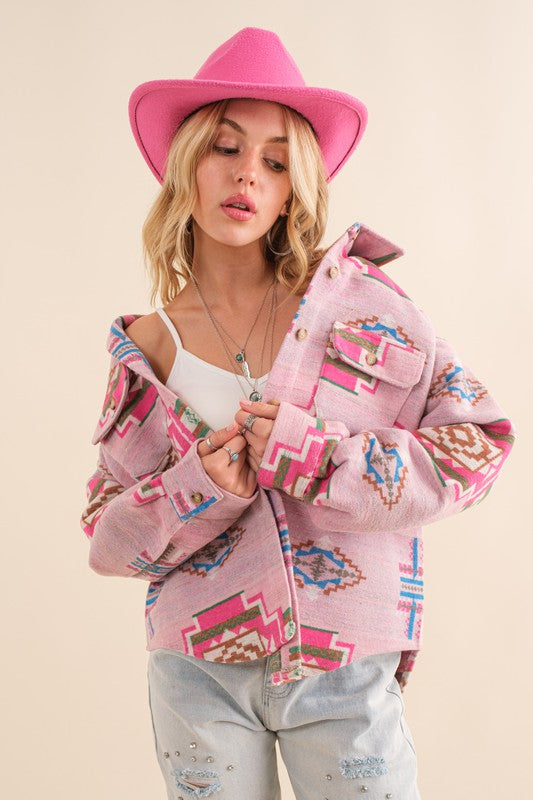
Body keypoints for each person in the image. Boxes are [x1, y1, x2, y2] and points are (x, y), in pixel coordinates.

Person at [80, 26, 516, 800]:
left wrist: (316, 458)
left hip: (345, 660)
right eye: (224, 147)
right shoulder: (145, 349)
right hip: (197, 672)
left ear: (294, 188)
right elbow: (108, 540)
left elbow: (477, 446)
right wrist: (196, 487)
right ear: (186, 165)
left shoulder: (362, 308)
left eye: (276, 161)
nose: (247, 172)